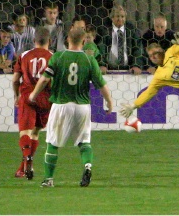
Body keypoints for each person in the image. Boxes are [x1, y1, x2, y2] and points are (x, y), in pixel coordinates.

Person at [29, 28, 114, 188]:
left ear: (67, 39)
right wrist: (109, 102)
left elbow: (44, 79)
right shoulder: (89, 60)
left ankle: (48, 179)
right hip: (82, 107)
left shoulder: (58, 57)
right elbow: (102, 85)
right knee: (84, 142)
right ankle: (87, 167)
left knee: (53, 143)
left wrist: (33, 94)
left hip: (61, 105)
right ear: (83, 42)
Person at [12, 27, 53, 179]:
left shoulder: (24, 56)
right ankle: (23, 166)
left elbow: (15, 80)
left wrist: (17, 96)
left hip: (28, 96)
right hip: (45, 98)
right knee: (35, 132)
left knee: (25, 133)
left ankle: (27, 160)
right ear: (50, 41)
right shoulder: (53, 56)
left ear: (34, 40)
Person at [98, 5, 144, 75]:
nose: (120, 19)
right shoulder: (104, 31)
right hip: (108, 70)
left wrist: (136, 65)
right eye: (117, 16)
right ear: (112, 18)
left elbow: (138, 49)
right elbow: (101, 49)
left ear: (125, 18)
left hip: (129, 71)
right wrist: (101, 64)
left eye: (122, 16)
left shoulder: (132, 31)